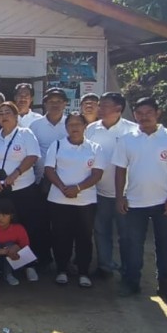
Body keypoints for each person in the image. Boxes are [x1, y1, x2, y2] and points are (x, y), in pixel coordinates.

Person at [112, 97, 167, 302]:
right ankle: (131, 282)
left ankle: (165, 286)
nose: (144, 117)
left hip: (164, 203)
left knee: (165, 245)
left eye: (148, 113)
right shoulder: (127, 140)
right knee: (132, 244)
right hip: (135, 202)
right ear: (134, 115)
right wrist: (120, 197)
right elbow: (120, 171)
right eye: (139, 113)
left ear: (158, 113)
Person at [43, 113, 104, 288]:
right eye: (70, 124)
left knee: (84, 237)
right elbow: (49, 169)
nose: (74, 128)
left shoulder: (95, 148)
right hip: (58, 199)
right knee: (61, 236)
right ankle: (62, 269)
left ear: (85, 126)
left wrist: (77, 188)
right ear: (66, 127)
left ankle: (83, 271)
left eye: (78, 124)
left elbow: (97, 174)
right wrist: (63, 188)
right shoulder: (57, 145)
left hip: (85, 201)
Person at [0, 101, 43, 262]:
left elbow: (32, 156)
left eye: (7, 112)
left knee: (26, 227)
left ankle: (28, 265)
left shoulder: (26, 133)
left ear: (16, 116)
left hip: (23, 190)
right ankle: (1, 265)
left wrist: (16, 173)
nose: (3, 116)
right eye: (0, 113)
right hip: (0, 191)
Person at [85, 91, 137, 278]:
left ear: (118, 108)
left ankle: (127, 268)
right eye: (100, 104)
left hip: (125, 194)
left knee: (126, 235)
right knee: (101, 231)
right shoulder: (91, 129)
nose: (100, 108)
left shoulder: (132, 130)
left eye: (105, 105)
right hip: (98, 191)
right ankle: (105, 266)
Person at [0, 199, 33, 286]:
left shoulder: (19, 228)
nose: (0, 217)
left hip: (13, 261)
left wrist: (16, 247)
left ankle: (8, 274)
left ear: (12, 215)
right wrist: (6, 251)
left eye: (4, 214)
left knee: (11, 244)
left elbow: (26, 249)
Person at [31, 87, 71, 183]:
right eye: (51, 101)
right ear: (45, 104)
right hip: (40, 178)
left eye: (59, 101)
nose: (55, 104)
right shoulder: (35, 125)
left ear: (65, 103)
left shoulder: (71, 124)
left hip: (67, 179)